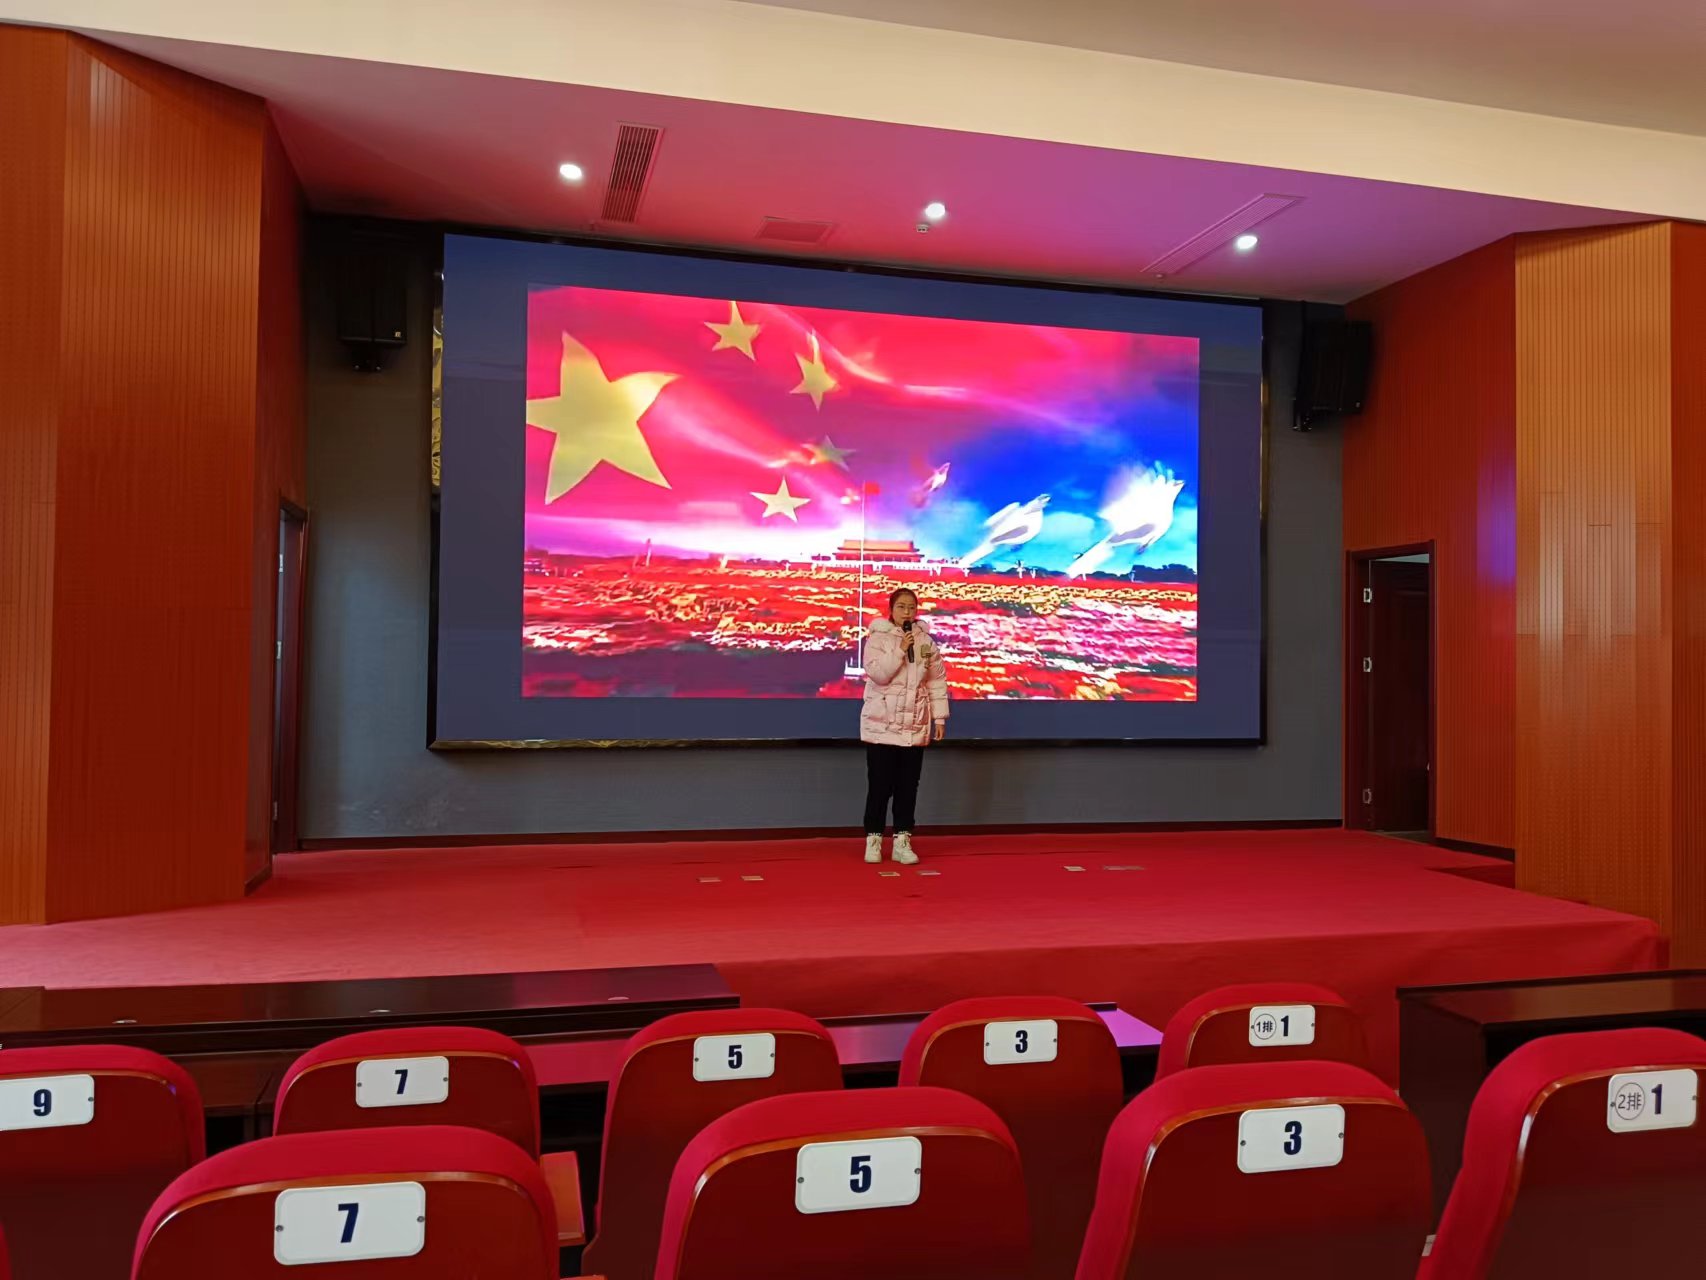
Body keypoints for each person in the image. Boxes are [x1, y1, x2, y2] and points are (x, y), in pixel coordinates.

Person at [859, 588, 948, 864]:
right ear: (891, 610)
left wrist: (939, 717)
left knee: (908, 787)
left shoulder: (926, 641)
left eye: (911, 607)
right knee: (880, 786)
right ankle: (874, 839)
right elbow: (878, 674)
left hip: (914, 724)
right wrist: (899, 650)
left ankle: (902, 840)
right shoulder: (877, 639)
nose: (907, 612)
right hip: (882, 724)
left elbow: (936, 680)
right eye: (901, 607)